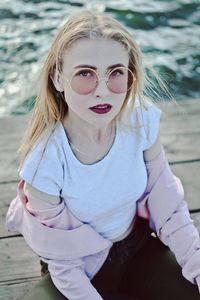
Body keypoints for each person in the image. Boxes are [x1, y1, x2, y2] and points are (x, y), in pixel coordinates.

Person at [5, 10, 200, 300]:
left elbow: (168, 207)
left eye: (115, 73)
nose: (102, 92)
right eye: (85, 73)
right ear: (58, 78)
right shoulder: (44, 160)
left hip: (136, 250)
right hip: (76, 268)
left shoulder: (141, 120)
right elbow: (63, 260)